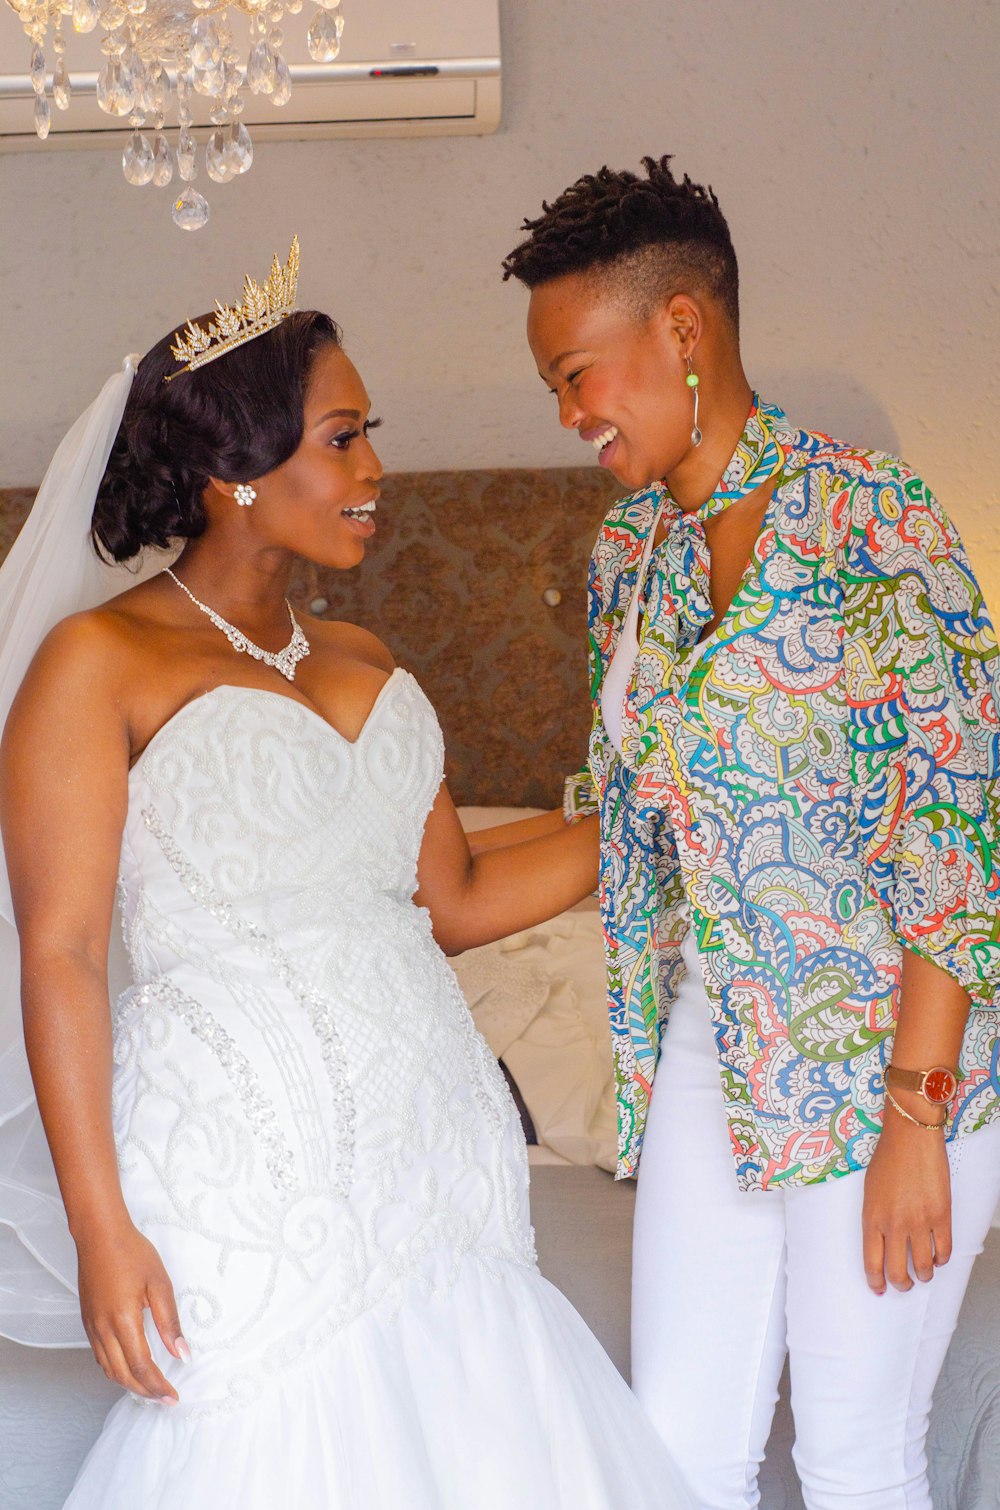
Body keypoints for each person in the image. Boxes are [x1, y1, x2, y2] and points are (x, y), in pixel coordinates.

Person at [0, 240, 693, 1509]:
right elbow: (63, 954)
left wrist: (670, 806)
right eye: (340, 439)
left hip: (435, 1139)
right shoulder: (92, 665)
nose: (376, 471)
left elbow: (462, 896)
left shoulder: (366, 655)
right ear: (232, 475)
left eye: (369, 433)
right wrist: (105, 1231)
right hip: (236, 1153)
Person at [503, 156, 1000, 1509]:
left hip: (885, 1054)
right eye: (553, 384)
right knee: (674, 1451)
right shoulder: (627, 560)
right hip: (711, 1048)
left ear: (681, 327)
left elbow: (961, 826)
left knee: (852, 1453)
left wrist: (917, 1114)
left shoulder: (872, 523)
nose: (569, 415)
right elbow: (627, 824)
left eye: (577, 372)